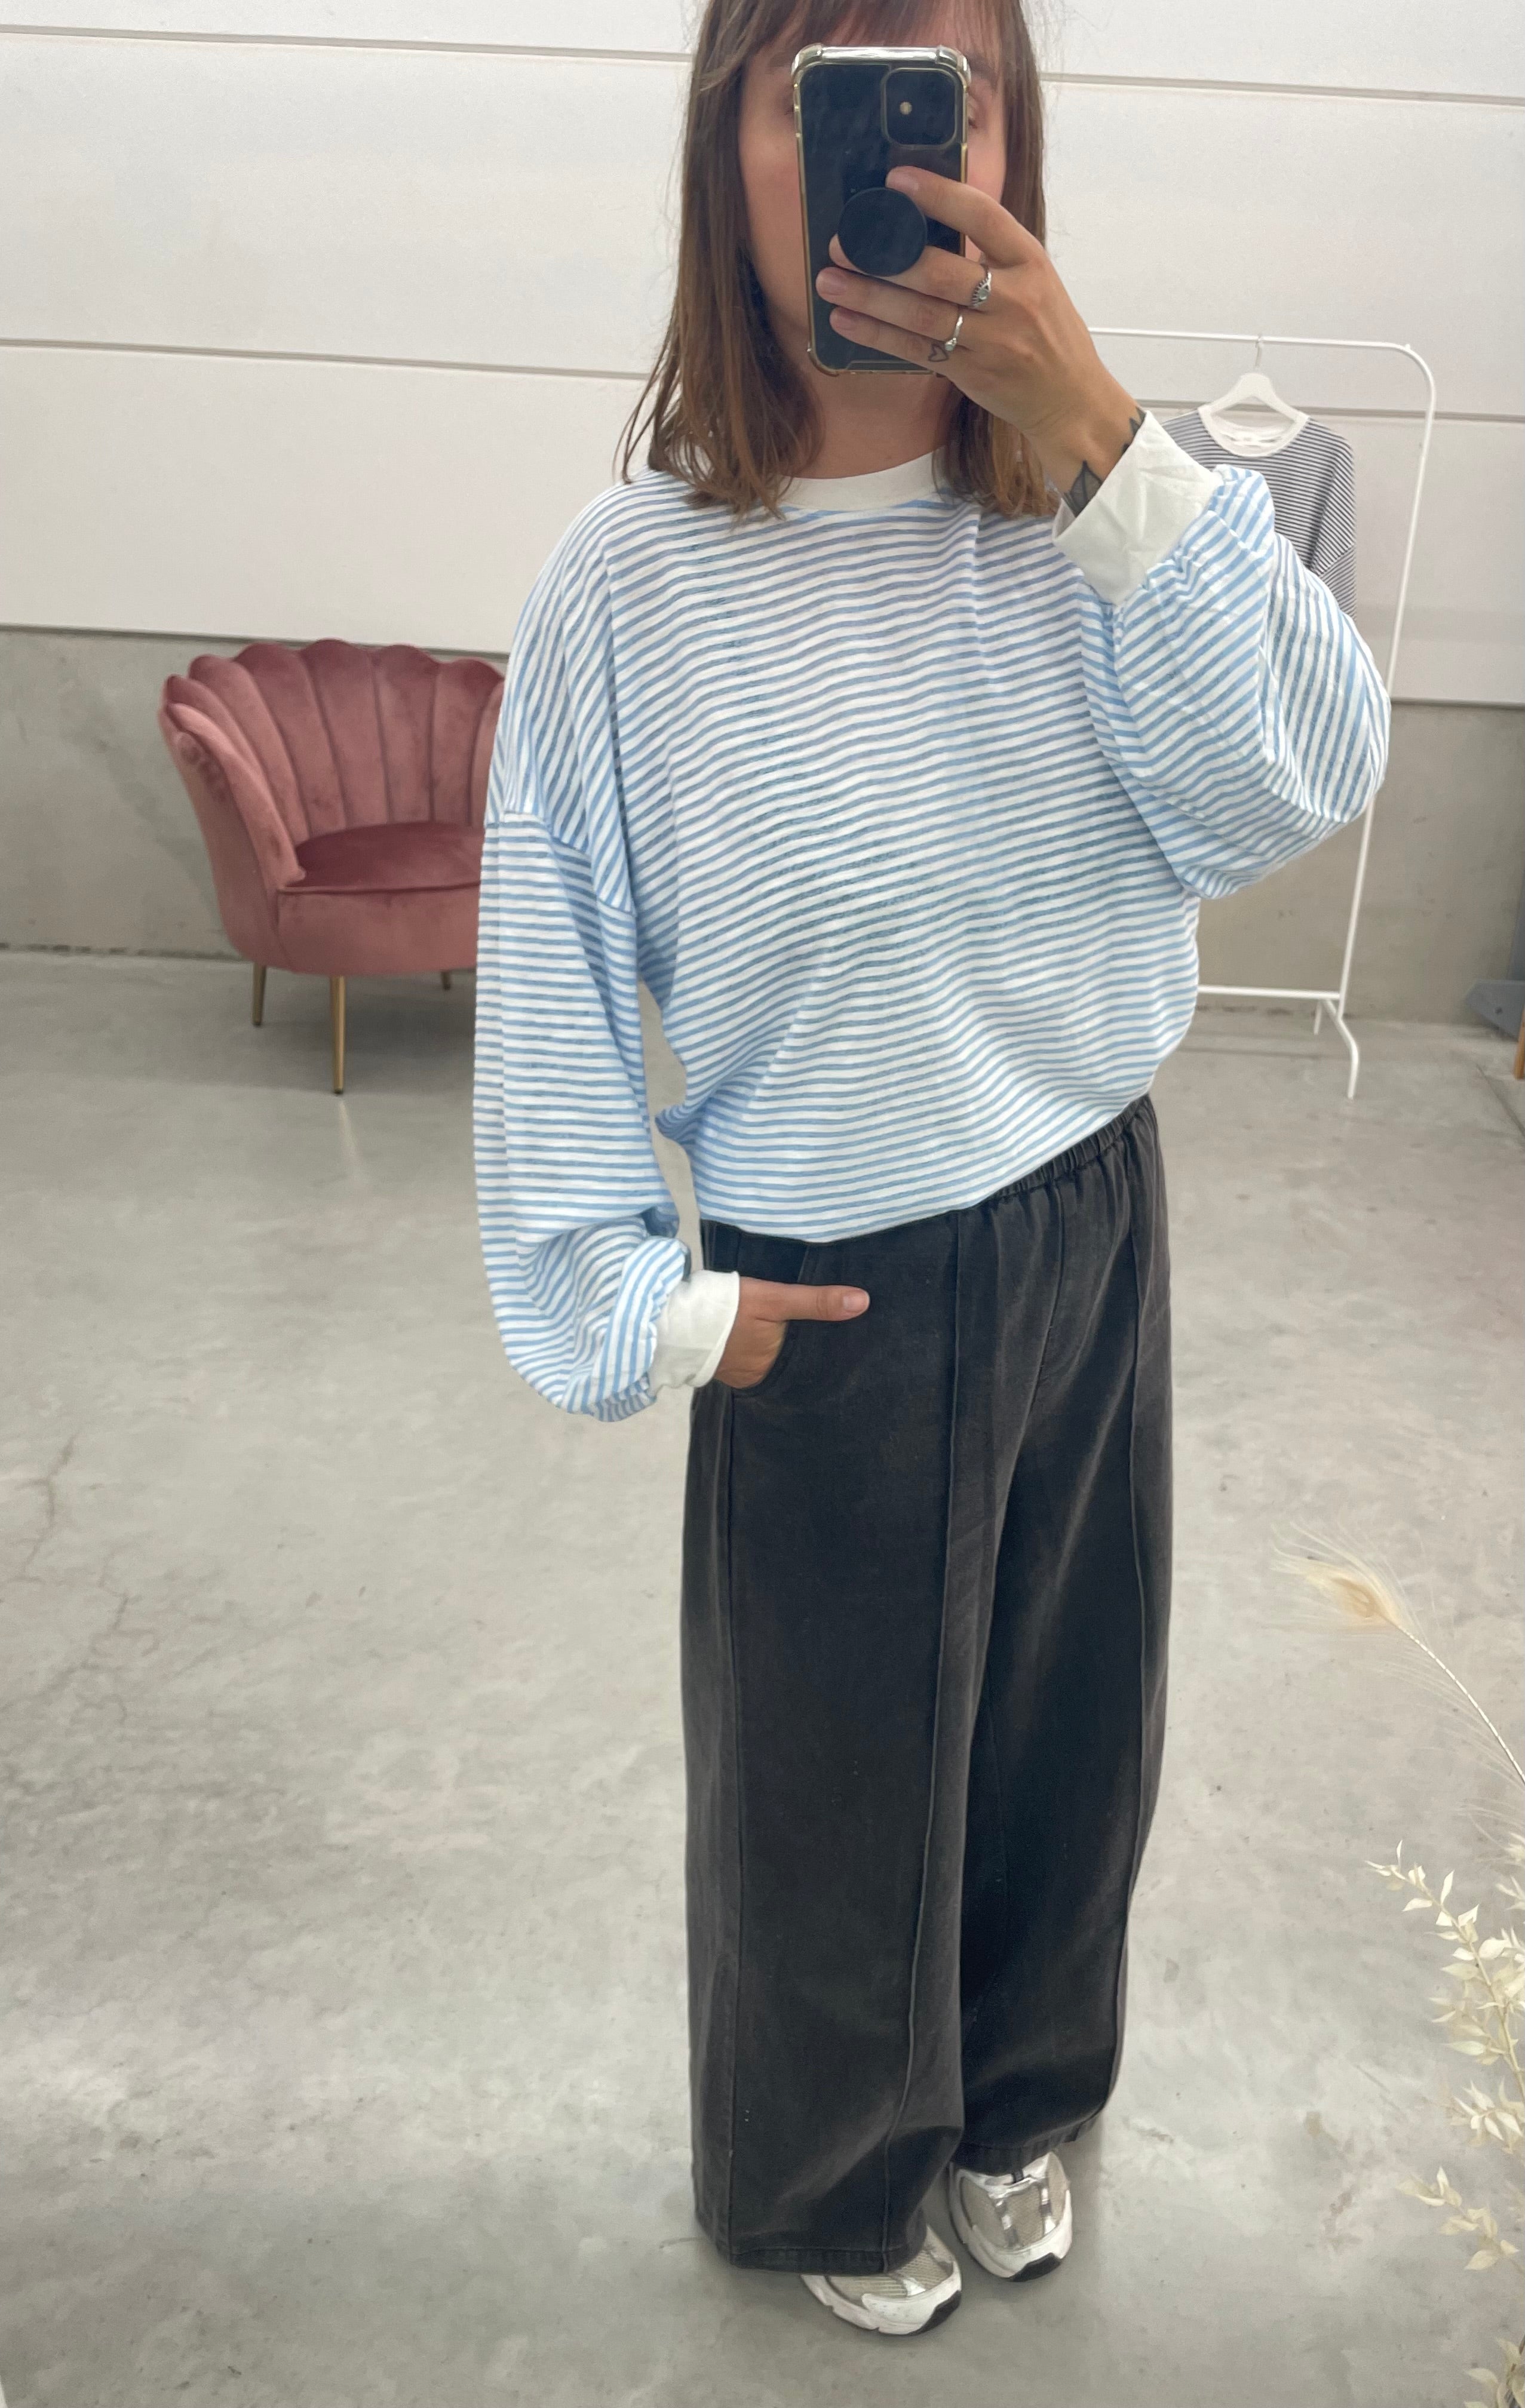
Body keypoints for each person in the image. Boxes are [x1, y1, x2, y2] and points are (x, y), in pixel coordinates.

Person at [472, 0, 1390, 2341]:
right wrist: (645, 1302)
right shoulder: (631, 586)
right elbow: (552, 967)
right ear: (734, 145)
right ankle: (829, 2178)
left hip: (1087, 1202)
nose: (895, 140)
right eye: (829, 86)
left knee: (1072, 1735)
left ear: (1010, 142)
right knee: (830, 1791)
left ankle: (1017, 2105)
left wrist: (1103, 441)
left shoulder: (1093, 531)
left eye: (948, 87)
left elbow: (1300, 777)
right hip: (830, 1272)